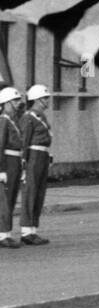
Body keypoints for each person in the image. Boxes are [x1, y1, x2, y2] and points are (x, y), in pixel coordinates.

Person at [20, 83, 53, 245]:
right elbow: (24, 142)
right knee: (30, 192)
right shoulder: (29, 117)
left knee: (39, 193)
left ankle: (33, 229)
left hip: (42, 156)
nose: (48, 101)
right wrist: (23, 163)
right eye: (45, 98)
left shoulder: (41, 116)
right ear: (37, 100)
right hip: (32, 157)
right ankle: (26, 231)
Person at [0, 86, 23, 248]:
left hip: (14, 162)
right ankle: (3, 235)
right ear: (6, 103)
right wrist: (1, 169)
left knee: (12, 197)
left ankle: (6, 232)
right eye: (14, 101)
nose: (18, 103)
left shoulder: (12, 120)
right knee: (5, 200)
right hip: (7, 162)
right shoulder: (3, 120)